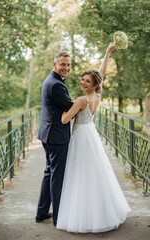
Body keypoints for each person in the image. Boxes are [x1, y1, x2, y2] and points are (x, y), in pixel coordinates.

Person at [56, 42, 131, 233]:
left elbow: (65, 120)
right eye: (82, 80)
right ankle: (102, 211)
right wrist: (108, 51)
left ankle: (84, 215)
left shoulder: (81, 100)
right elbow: (102, 73)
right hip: (91, 134)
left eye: (87, 82)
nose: (83, 83)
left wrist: (60, 109)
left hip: (81, 136)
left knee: (79, 174)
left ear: (93, 84)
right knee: (95, 172)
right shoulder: (97, 94)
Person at [36, 51, 73, 226]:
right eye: (63, 64)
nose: (66, 67)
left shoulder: (50, 80)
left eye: (68, 64)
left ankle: (41, 213)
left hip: (48, 134)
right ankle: (58, 217)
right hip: (57, 136)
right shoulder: (56, 85)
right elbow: (71, 108)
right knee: (56, 177)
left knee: (49, 173)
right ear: (55, 64)